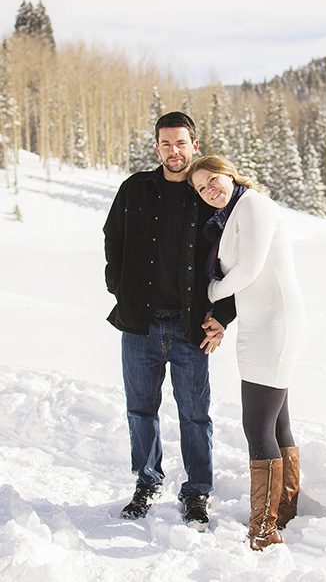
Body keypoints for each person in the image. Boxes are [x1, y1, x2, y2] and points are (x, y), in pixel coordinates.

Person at [103, 111, 236, 529]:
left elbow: (235, 257)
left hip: (190, 327)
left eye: (181, 143)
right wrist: (119, 287)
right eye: (166, 143)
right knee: (140, 409)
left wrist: (223, 316)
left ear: (194, 146)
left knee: (195, 414)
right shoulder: (134, 189)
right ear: (156, 146)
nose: (173, 151)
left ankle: (198, 492)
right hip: (139, 324)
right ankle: (146, 482)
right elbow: (113, 240)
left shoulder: (206, 194)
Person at [187, 154, 305, 551]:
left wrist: (208, 293)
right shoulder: (231, 214)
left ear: (229, 173)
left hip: (275, 323)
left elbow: (249, 269)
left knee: (257, 428)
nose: (210, 190)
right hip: (260, 323)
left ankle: (264, 528)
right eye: (201, 188)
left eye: (213, 179)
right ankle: (283, 508)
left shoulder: (253, 204)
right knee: (275, 423)